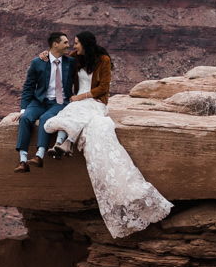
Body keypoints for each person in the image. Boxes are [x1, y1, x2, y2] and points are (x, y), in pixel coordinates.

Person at [45, 30, 173, 239]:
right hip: (78, 101)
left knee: (78, 111)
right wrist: (45, 57)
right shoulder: (76, 58)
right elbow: (56, 61)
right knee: (72, 112)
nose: (73, 46)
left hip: (96, 102)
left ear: (85, 44)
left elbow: (103, 87)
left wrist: (81, 96)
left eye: (76, 43)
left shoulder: (103, 60)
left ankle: (67, 143)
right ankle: (65, 143)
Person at [17, 30, 75, 167]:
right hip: (39, 101)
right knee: (25, 118)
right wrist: (23, 109)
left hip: (60, 102)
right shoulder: (38, 62)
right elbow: (28, 87)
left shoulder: (71, 62)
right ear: (55, 44)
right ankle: (22, 160)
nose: (68, 45)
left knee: (46, 118)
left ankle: (39, 155)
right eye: (65, 42)